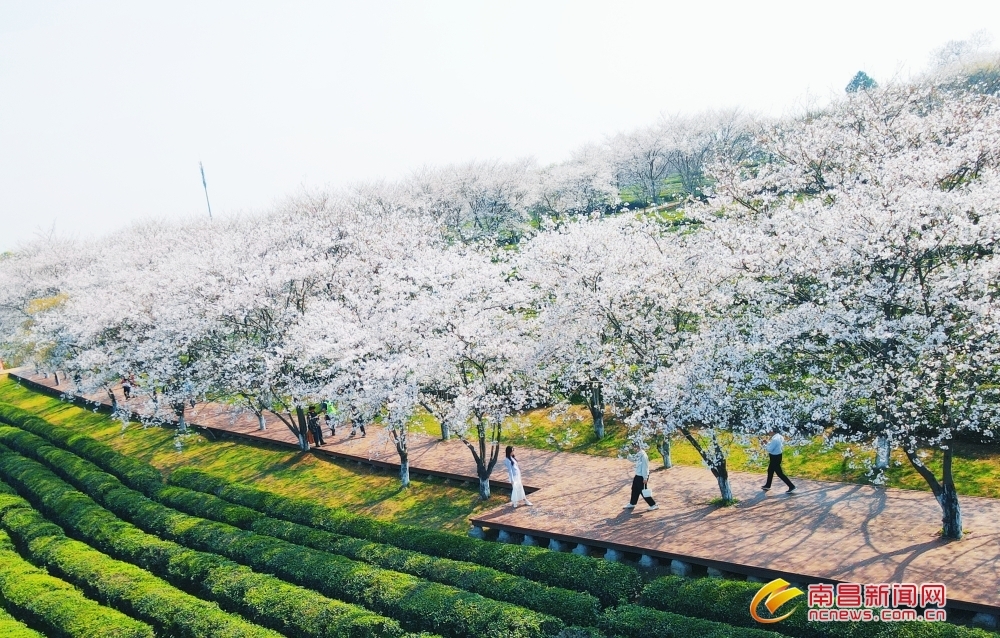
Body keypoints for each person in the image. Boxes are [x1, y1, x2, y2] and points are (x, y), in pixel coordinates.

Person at [624, 444, 658, 510]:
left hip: (642, 476)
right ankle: (632, 503)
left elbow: (645, 467)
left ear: (638, 447)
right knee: (634, 489)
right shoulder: (639, 454)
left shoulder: (643, 456)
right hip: (638, 475)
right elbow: (633, 460)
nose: (633, 448)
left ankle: (653, 504)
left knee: (643, 491)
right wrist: (628, 454)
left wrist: (645, 478)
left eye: (634, 447)